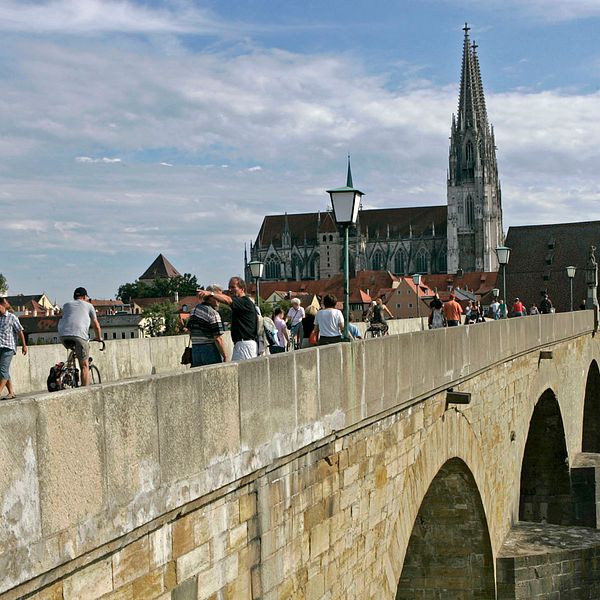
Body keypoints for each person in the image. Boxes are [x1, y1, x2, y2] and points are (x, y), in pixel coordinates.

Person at [199, 277, 258, 360]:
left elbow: (228, 300)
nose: (230, 290)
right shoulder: (243, 302)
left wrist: (211, 294)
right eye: (229, 287)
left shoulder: (244, 301)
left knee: (241, 372)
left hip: (244, 345)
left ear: (242, 289)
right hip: (242, 345)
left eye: (233, 287)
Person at [58, 287, 102, 386]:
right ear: (84, 297)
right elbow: (96, 325)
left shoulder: (66, 305)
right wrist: (99, 338)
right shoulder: (89, 306)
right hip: (79, 335)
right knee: (84, 366)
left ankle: (68, 371)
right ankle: (85, 391)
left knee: (74, 349)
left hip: (63, 335)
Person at [186, 285, 227, 367]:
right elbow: (218, 338)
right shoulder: (213, 313)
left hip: (195, 350)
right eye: (218, 297)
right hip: (209, 349)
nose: (220, 300)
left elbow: (189, 331)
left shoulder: (194, 310)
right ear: (211, 297)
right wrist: (225, 356)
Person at [0, 297, 27, 399]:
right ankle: (11, 392)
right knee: (4, 371)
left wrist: (24, 346)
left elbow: (20, 331)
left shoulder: (12, 317)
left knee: (2, 370)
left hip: (8, 347)